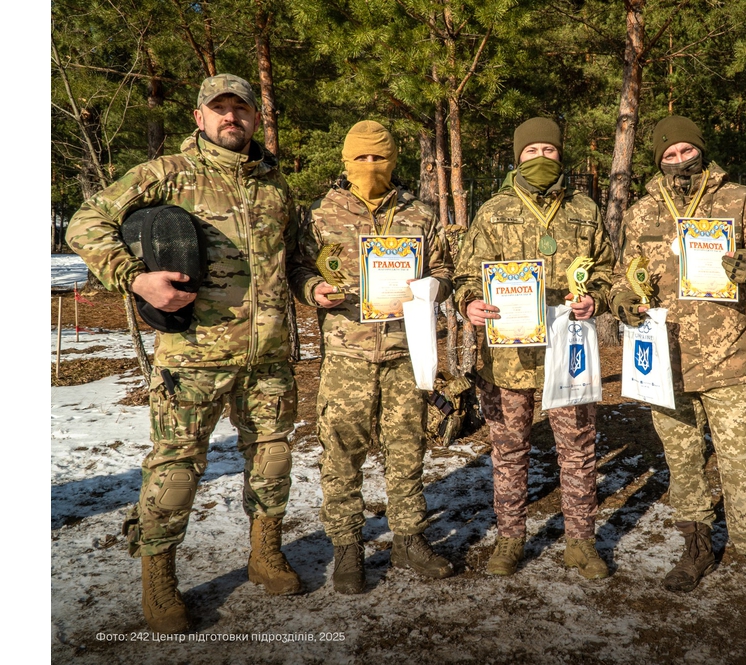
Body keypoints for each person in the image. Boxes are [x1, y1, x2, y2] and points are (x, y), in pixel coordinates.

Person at [66, 74, 302, 633]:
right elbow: (85, 223)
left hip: (267, 355)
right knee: (175, 469)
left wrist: (312, 285)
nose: (230, 118)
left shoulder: (275, 188)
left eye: (239, 109)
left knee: (272, 460)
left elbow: (292, 261)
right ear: (199, 118)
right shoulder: (167, 174)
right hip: (193, 355)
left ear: (254, 118)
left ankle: (264, 554)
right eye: (218, 109)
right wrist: (135, 279)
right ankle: (160, 579)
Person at [609, 115, 746, 633]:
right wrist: (624, 300)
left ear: (701, 151)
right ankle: (695, 549)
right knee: (682, 461)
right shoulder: (642, 210)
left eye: (687, 150)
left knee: (740, 465)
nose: (679, 159)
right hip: (662, 360)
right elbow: (626, 274)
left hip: (728, 357)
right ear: (658, 160)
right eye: (669, 154)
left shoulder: (741, 200)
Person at [288, 120, 455, 592]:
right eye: (360, 158)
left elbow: (443, 267)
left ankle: (409, 538)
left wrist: (431, 287)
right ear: (346, 162)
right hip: (347, 354)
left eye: (379, 157)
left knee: (407, 449)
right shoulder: (322, 216)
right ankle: (347, 549)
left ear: (393, 160)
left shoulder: (420, 216)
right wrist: (312, 287)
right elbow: (298, 266)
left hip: (405, 350)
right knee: (341, 453)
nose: (370, 166)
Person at [453, 117, 615, 579]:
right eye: (531, 151)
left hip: (571, 354)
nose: (541, 158)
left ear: (561, 155)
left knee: (580, 450)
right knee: (507, 451)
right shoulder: (493, 211)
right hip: (508, 356)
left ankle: (581, 543)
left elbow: (607, 269)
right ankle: (509, 539)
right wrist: (469, 302)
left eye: (549, 150)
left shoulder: (585, 209)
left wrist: (596, 297)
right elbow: (467, 274)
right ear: (517, 156)